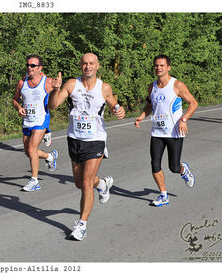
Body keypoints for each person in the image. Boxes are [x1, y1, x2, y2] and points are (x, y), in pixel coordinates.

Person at [48, 53, 125, 240]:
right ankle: (103, 185)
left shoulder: (104, 87)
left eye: (91, 63)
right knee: (79, 182)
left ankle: (82, 224)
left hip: (96, 139)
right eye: (84, 63)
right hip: (74, 138)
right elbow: (53, 106)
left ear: (97, 66)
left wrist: (119, 110)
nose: (87, 66)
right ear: (80, 65)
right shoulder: (71, 84)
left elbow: (115, 105)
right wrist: (54, 90)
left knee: (86, 183)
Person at [134, 54, 198, 207]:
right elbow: (150, 106)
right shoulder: (152, 87)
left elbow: (193, 103)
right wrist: (141, 116)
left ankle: (183, 170)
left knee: (173, 167)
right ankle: (163, 194)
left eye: (162, 65)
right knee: (155, 164)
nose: (159, 68)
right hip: (157, 132)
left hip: (174, 132)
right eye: (156, 65)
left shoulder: (177, 85)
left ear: (168, 67)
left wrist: (184, 120)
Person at [12, 54, 59, 192]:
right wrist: (19, 107)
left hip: (41, 120)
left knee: (32, 149)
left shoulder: (47, 82)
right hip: (27, 121)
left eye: (33, 65)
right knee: (28, 152)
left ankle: (34, 181)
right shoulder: (22, 83)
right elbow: (15, 100)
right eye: (28, 65)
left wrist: (57, 89)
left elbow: (55, 102)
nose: (29, 67)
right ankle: (50, 156)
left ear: (40, 68)